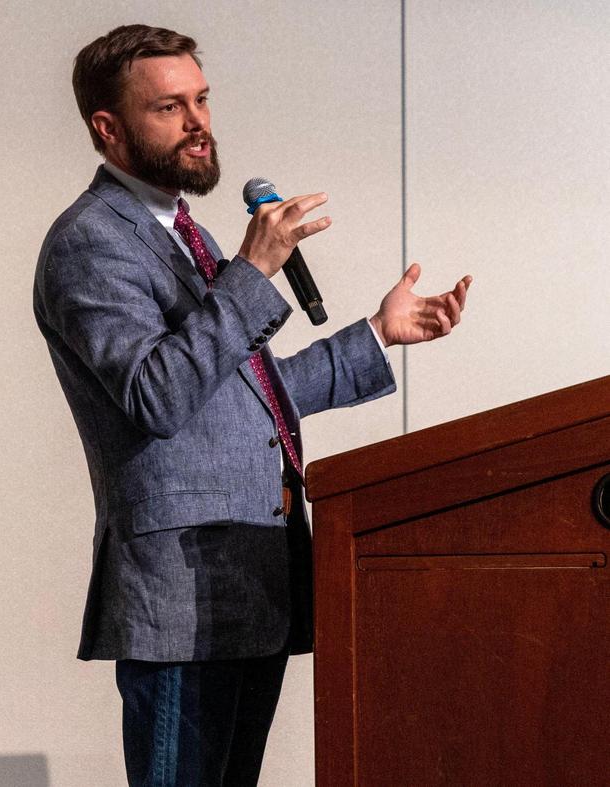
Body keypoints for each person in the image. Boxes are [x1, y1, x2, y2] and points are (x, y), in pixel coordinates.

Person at [33, 24, 470, 786]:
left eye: (202, 100)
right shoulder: (91, 242)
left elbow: (251, 397)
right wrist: (253, 269)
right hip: (180, 598)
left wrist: (377, 332)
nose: (199, 123)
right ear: (108, 128)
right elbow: (156, 394)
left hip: (251, 578)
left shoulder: (183, 234)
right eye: (170, 107)